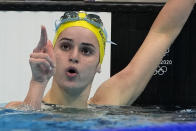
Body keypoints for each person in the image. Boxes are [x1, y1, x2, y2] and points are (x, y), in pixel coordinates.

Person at [5, 0, 195, 110]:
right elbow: (27, 124)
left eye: (86, 50)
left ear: (98, 64)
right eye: (65, 46)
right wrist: (37, 83)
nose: (74, 56)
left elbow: (162, 33)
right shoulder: (15, 108)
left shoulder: (108, 101)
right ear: (52, 53)